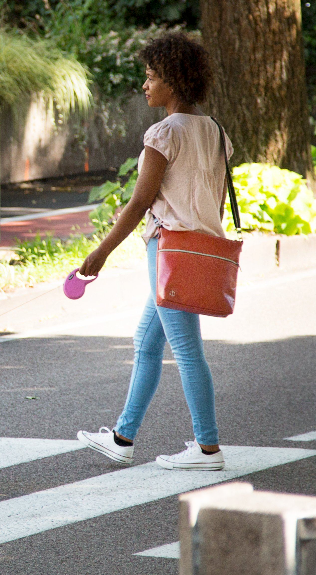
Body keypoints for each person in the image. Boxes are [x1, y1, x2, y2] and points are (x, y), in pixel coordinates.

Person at [76, 32, 233, 470]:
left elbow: (140, 202)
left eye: (151, 77)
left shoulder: (165, 132)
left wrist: (101, 252)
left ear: (174, 81)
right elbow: (215, 200)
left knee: (186, 349)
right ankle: (123, 437)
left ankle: (208, 449)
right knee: (146, 342)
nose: (145, 85)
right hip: (200, 248)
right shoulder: (215, 131)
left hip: (169, 250)